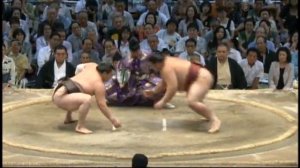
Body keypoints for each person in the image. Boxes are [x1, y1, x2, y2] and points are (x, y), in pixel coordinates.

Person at [145, 53, 221, 133]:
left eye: (152, 66)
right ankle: (208, 116)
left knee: (192, 101)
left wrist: (163, 101)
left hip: (201, 78)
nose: (152, 68)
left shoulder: (166, 68)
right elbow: (164, 82)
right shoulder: (166, 62)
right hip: (198, 78)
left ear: (156, 63)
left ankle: (215, 120)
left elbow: (172, 88)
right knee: (194, 102)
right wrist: (154, 91)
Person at [52, 62, 121, 134]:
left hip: (60, 88)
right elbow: (102, 104)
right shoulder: (99, 84)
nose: (110, 77)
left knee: (78, 91)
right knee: (86, 99)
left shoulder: (92, 65)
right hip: (61, 97)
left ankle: (68, 118)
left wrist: (78, 76)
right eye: (110, 75)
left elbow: (78, 66)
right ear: (104, 73)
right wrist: (113, 120)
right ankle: (80, 127)